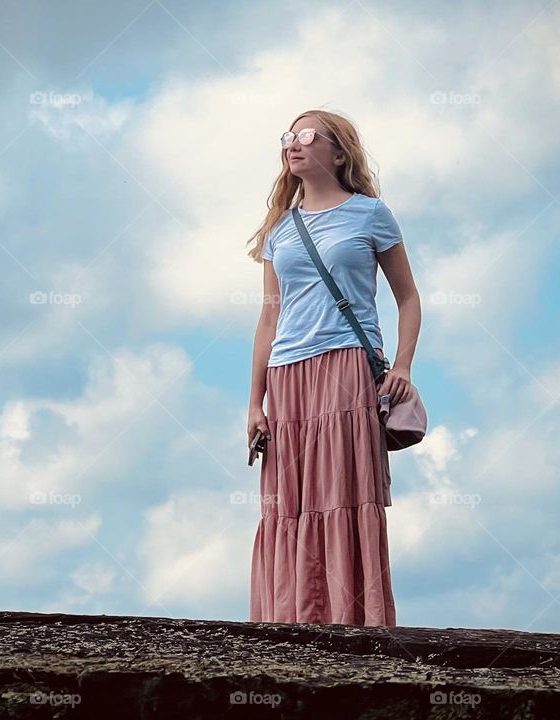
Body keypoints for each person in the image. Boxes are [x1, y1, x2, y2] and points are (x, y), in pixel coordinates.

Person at [246, 109, 421, 627]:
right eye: (287, 137)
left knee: (342, 496)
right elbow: (267, 319)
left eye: (306, 136)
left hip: (346, 367)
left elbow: (408, 298)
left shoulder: (370, 214)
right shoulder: (281, 230)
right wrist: (254, 404)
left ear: (338, 152)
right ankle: (289, 625)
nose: (292, 144)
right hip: (287, 376)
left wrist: (404, 367)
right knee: (290, 506)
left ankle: (354, 626)